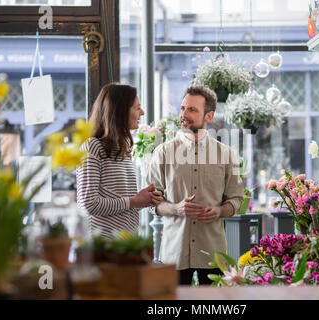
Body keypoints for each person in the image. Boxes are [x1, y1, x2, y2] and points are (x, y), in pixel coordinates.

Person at [146, 86, 244, 285]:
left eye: (192, 110)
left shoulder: (226, 154)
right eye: (183, 108)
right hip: (174, 253)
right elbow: (152, 202)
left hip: (212, 253)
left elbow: (236, 199)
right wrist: (175, 208)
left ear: (209, 116)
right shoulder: (162, 152)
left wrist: (219, 211)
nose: (184, 114)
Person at [76, 83, 163, 239]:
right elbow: (88, 204)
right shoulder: (92, 147)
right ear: (121, 111)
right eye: (137, 108)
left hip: (124, 245)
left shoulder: (123, 148)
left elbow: (120, 203)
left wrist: (142, 199)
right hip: (101, 247)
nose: (142, 113)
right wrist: (134, 201)